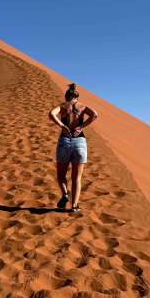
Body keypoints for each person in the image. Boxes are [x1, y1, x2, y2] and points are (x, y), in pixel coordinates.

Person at [48, 83, 99, 212]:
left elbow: (51, 114)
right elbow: (95, 115)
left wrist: (62, 125)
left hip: (65, 140)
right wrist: (81, 127)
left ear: (66, 96)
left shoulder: (63, 106)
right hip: (80, 141)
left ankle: (65, 194)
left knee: (61, 175)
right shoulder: (82, 107)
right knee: (77, 177)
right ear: (77, 97)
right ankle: (74, 206)